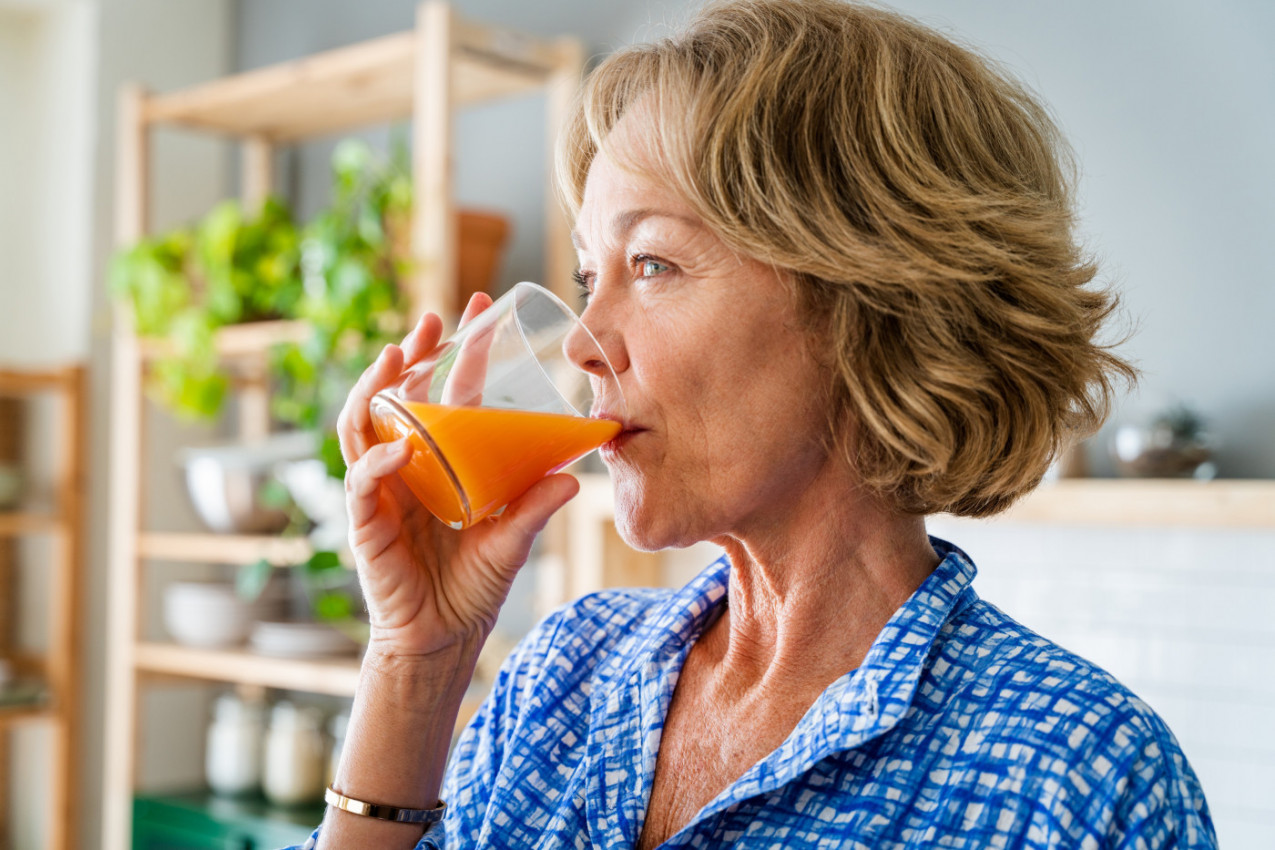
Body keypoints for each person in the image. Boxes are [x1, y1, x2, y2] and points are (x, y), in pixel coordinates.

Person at [295, 1, 1216, 847]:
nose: (582, 344)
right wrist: (417, 664)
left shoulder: (1078, 779)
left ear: (871, 303)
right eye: (588, 278)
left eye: (651, 263)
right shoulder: (559, 676)